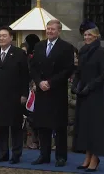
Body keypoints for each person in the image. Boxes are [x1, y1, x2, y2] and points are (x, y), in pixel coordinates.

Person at [29, 19, 74, 167]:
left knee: (59, 126)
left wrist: (51, 82)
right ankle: (44, 155)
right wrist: (39, 81)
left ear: (59, 31)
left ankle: (61, 156)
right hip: (42, 91)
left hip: (57, 91)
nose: (49, 31)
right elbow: (33, 67)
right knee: (43, 125)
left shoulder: (66, 47)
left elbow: (68, 69)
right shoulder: (39, 45)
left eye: (52, 29)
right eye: (48, 29)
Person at [71, 21, 104, 172]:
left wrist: (90, 86)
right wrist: (75, 84)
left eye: (90, 35)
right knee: (85, 126)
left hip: (96, 94)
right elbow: (79, 71)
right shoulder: (82, 51)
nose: (87, 37)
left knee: (95, 127)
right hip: (83, 94)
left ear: (96, 36)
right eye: (85, 34)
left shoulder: (101, 51)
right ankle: (87, 156)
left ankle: (95, 157)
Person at [0, 26, 29, 164]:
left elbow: (25, 76)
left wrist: (24, 94)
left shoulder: (19, 53)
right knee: (1, 125)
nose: (1, 38)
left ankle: (16, 154)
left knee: (15, 126)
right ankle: (2, 153)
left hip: (15, 95)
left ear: (11, 38)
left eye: (4, 36)